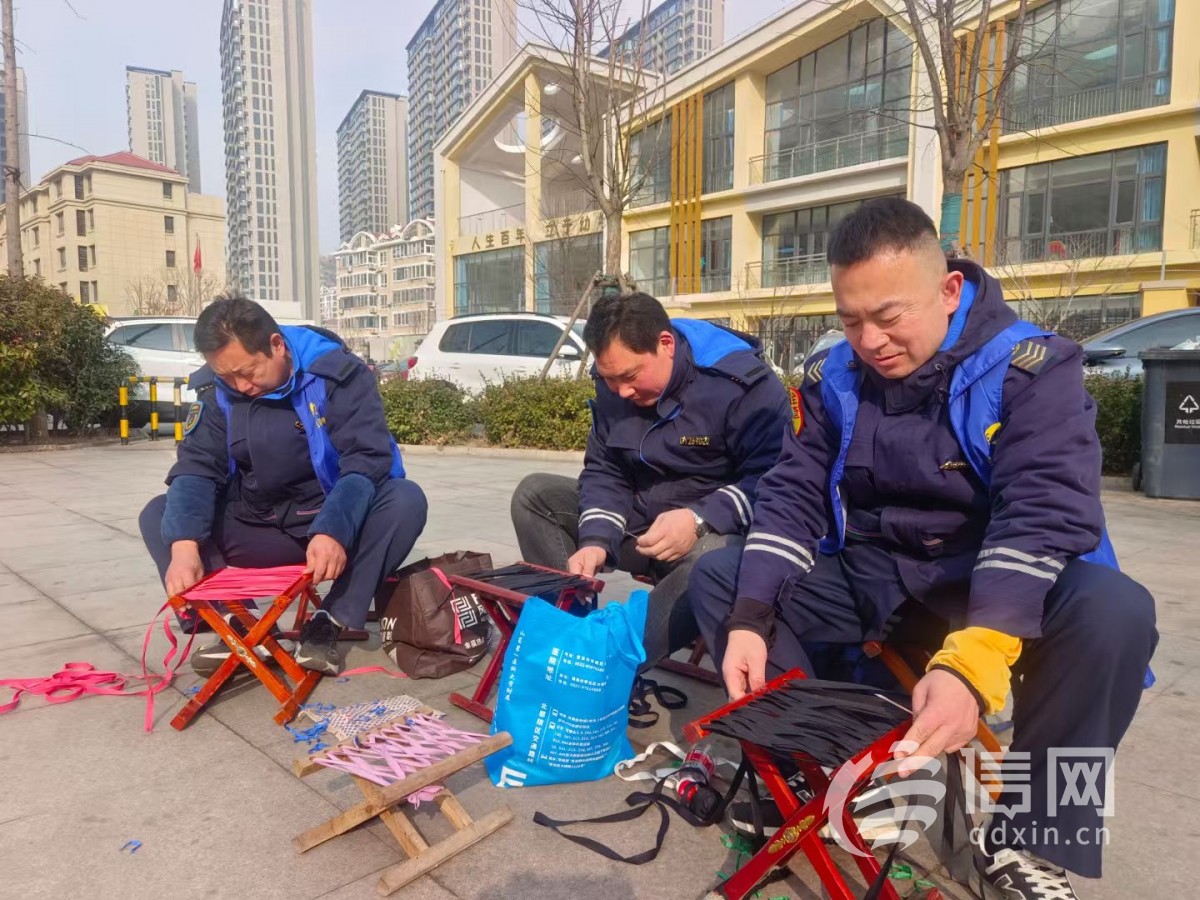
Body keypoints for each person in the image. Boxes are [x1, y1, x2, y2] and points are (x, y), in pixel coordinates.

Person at [688, 198, 1157, 897]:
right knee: (723, 579)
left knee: (1115, 611)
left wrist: (974, 660)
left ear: (948, 290)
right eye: (850, 320)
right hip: (872, 577)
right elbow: (791, 495)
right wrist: (752, 615)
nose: (870, 341)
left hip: (985, 587)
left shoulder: (1031, 369)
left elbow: (1041, 514)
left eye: (888, 316)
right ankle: (817, 773)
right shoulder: (832, 377)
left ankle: (1034, 838)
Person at [139, 296, 428, 676]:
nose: (241, 386)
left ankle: (328, 621)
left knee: (405, 500)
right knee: (163, 514)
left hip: (329, 522)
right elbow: (197, 466)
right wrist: (183, 546)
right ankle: (242, 626)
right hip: (258, 523)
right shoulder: (219, 389)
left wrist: (333, 529)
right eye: (228, 377)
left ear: (276, 345)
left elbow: (366, 460)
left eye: (248, 372)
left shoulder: (336, 374)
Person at [510, 291, 791, 671]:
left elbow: (774, 480)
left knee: (717, 559)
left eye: (630, 377)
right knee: (535, 495)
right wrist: (596, 539)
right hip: (637, 527)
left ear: (666, 344)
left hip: (705, 538)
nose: (622, 391)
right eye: (610, 379)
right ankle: (571, 635)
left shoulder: (742, 385)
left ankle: (608, 667)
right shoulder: (614, 384)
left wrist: (698, 518)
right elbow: (605, 468)